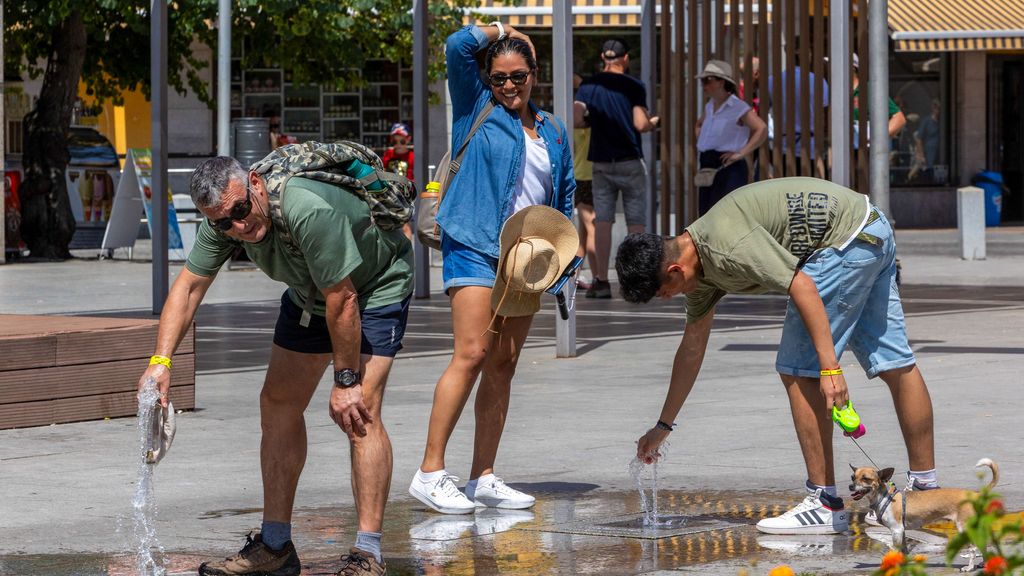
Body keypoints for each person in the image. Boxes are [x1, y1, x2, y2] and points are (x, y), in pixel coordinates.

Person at [137, 152, 413, 575]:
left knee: (360, 411)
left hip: (372, 288)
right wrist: (161, 362)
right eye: (223, 222)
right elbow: (189, 287)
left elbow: (344, 300)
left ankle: (368, 553)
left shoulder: (305, 207)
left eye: (241, 211)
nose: (238, 226)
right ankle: (276, 546)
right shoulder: (225, 222)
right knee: (278, 404)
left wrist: (345, 381)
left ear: (255, 184)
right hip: (311, 294)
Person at [616, 177, 938, 535]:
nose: (670, 298)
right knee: (896, 361)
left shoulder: (725, 245)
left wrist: (830, 368)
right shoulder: (698, 268)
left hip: (843, 241)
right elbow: (691, 348)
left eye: (665, 292)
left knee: (799, 369)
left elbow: (802, 285)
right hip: (870, 227)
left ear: (675, 270)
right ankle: (925, 492)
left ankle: (824, 503)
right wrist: (663, 427)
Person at [408, 23, 575, 515]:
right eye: (498, 76)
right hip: (475, 245)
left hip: (526, 261)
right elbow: (457, 45)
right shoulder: (474, 107)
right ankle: (431, 472)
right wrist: (504, 29)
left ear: (533, 75)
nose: (508, 85)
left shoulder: (554, 130)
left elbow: (562, 197)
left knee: (503, 363)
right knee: (473, 353)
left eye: (517, 75)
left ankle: (484, 476)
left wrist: (566, 262)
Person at [573, 38, 659, 299]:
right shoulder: (633, 85)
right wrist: (655, 122)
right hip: (629, 160)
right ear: (625, 59)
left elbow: (577, 119)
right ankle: (636, 280)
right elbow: (640, 123)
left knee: (602, 222)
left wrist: (594, 121)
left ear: (602, 57)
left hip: (600, 161)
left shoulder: (589, 86)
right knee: (636, 223)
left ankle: (601, 281)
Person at [694, 60, 768, 215]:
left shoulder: (738, 107)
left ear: (721, 82)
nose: (703, 85)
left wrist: (741, 153)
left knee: (725, 215)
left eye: (707, 80)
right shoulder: (710, 105)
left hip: (727, 165)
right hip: (707, 162)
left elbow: (761, 129)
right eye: (702, 80)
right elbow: (699, 123)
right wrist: (703, 140)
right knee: (706, 214)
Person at [572, 74, 597, 290]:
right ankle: (598, 277)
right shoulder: (593, 123)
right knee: (591, 226)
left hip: (580, 175)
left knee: (583, 230)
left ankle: (575, 274)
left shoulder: (575, 124)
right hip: (589, 176)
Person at [381, 122, 416, 239]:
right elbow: (384, 171)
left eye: (402, 141)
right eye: (395, 141)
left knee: (404, 224)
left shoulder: (411, 156)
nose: (398, 145)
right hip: (390, 192)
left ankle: (407, 250)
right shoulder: (388, 154)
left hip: (405, 194)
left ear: (408, 140)